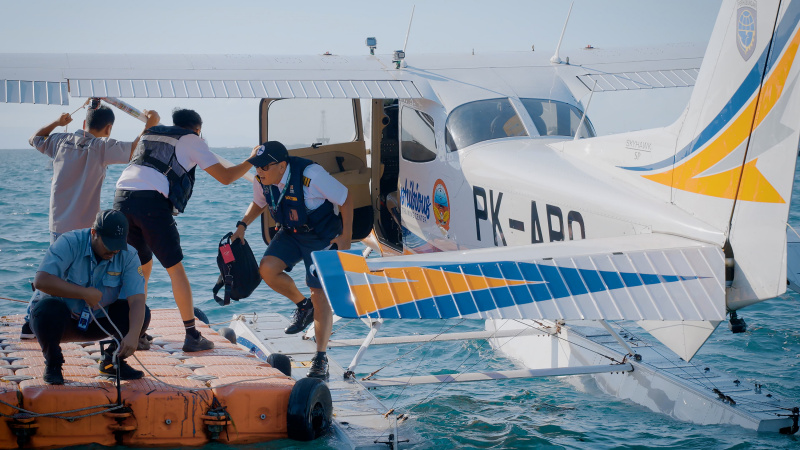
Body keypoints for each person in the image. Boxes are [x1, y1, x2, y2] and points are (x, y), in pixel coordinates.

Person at [113, 108, 256, 352]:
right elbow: (226, 176)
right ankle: (191, 335)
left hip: (121, 198)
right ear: (198, 128)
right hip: (151, 203)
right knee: (175, 269)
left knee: (140, 269)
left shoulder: (152, 133)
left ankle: (135, 332)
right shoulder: (192, 139)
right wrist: (251, 160)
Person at [21, 101, 159, 339]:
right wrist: (150, 124)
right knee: (87, 273)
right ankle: (108, 322)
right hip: (87, 228)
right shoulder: (101, 147)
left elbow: (34, 138)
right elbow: (137, 149)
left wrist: (57, 122)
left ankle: (28, 322)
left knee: (54, 273)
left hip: (58, 222)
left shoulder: (60, 141)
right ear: (108, 128)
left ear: (84, 123)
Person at [231, 141, 353, 379]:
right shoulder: (262, 181)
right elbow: (259, 203)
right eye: (256, 166)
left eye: (264, 166)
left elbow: (346, 198)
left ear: (282, 166)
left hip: (320, 237)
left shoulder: (311, 175)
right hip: (290, 232)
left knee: (319, 294)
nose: (259, 171)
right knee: (267, 269)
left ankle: (320, 357)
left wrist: (346, 235)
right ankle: (302, 305)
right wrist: (242, 225)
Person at [30, 210, 150, 385]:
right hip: (65, 321)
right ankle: (53, 363)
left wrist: (133, 335)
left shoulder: (129, 255)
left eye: (119, 244)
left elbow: (137, 300)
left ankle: (112, 361)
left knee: (142, 314)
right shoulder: (69, 242)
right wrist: (83, 293)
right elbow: (41, 281)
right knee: (44, 311)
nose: (114, 250)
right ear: (94, 233)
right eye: (109, 244)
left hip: (100, 320)